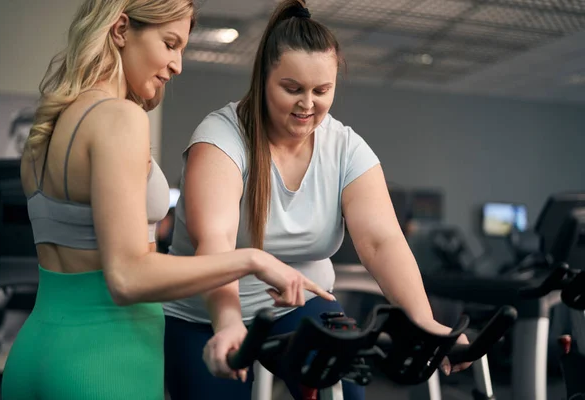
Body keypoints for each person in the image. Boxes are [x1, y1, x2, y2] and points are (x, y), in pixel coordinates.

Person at [0, 1, 334, 399]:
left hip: (34, 353)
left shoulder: (50, 124)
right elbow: (126, 277)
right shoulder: (119, 118)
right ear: (121, 29)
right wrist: (254, 259)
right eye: (169, 43)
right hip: (104, 362)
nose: (177, 65)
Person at [163, 0, 471, 399]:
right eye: (292, 89)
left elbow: (382, 242)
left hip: (298, 308)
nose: (307, 104)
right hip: (204, 314)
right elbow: (216, 243)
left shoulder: (344, 147)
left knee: (344, 391)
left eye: (321, 90)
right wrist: (228, 324)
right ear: (263, 80)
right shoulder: (221, 139)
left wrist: (424, 323)